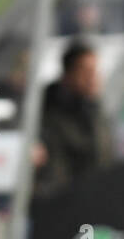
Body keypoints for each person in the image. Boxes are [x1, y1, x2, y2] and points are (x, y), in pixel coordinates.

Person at [32, 40, 112, 198]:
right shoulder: (49, 113)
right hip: (64, 203)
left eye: (95, 71)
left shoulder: (96, 110)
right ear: (67, 75)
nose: (92, 78)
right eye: (85, 71)